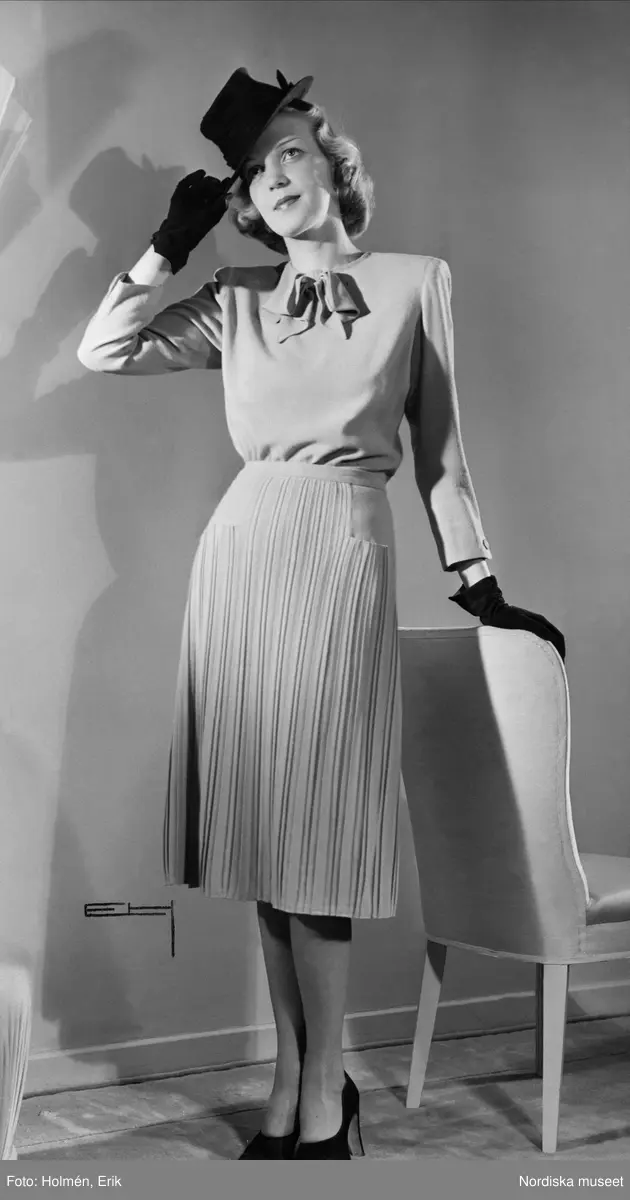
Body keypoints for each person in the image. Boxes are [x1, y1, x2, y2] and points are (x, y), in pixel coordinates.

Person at [77, 67, 565, 1160]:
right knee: (265, 840)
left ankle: (326, 1087)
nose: (276, 176)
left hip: (342, 548)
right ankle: (298, 1081)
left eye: (291, 149)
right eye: (256, 171)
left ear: (334, 164)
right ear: (245, 201)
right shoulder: (236, 297)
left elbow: (440, 451)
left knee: (319, 841)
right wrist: (165, 248)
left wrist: (478, 579)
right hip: (242, 556)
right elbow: (103, 350)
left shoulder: (413, 282)